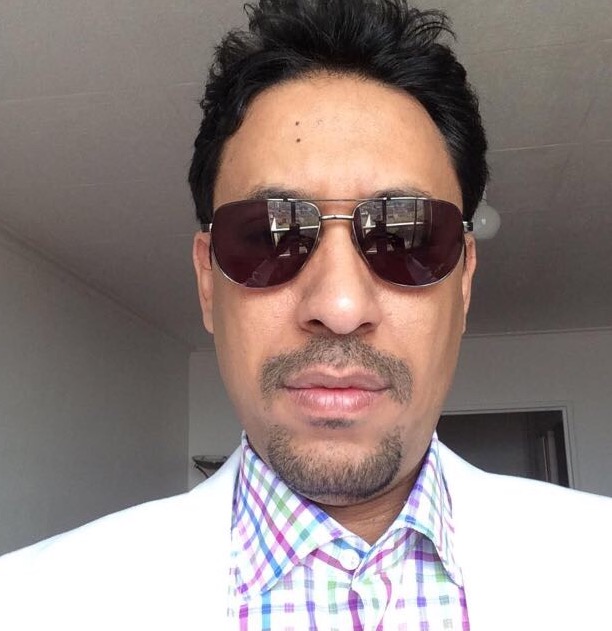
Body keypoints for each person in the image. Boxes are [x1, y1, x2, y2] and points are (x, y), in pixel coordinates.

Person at [1, 1, 611, 629]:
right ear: (208, 281)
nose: (340, 308)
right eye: (271, 234)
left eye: (406, 236)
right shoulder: (27, 603)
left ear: (464, 282)